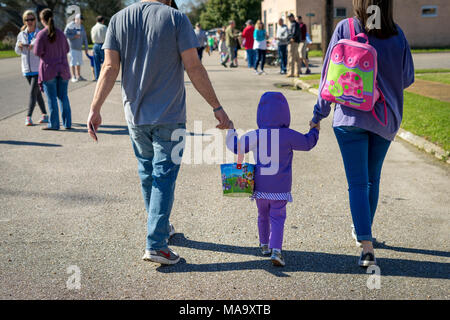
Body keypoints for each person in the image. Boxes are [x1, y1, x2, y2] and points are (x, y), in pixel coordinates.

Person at [87, 0, 232, 265]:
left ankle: (160, 228)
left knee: (147, 172)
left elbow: (109, 67)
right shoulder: (176, 18)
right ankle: (156, 244)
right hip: (169, 115)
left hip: (135, 116)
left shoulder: (118, 19)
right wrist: (217, 107)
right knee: (163, 176)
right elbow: (194, 66)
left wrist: (95, 108)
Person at [310, 0, 415, 267]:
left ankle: (366, 245)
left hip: (350, 116)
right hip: (384, 118)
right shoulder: (398, 34)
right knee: (373, 179)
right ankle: (363, 231)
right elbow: (407, 77)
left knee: (357, 183)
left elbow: (328, 77)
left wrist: (318, 115)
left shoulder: (345, 28)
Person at [226, 92, 319, 267]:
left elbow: (235, 146)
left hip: (259, 188)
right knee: (277, 217)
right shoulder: (288, 134)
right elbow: (307, 143)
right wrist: (315, 129)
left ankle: (264, 245)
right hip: (280, 189)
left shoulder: (255, 134)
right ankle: (276, 250)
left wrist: (231, 130)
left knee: (262, 215)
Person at [34, 8, 72, 131]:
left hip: (49, 69)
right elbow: (67, 49)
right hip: (63, 68)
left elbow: (37, 52)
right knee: (63, 97)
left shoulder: (41, 34)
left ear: (41, 20)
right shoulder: (61, 33)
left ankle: (54, 124)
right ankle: (67, 123)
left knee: (51, 99)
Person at [15, 10, 48, 126]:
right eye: (27, 20)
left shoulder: (40, 34)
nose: (29, 22)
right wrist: (19, 46)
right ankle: (45, 115)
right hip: (26, 69)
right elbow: (17, 51)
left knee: (32, 93)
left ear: (35, 20)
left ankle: (28, 117)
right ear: (24, 21)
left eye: (32, 19)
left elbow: (44, 50)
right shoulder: (21, 34)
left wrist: (34, 48)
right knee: (36, 93)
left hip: (38, 68)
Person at [64, 14, 89, 83]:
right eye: (80, 20)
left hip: (79, 48)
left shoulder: (82, 27)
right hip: (72, 48)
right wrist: (74, 36)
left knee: (79, 62)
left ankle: (79, 76)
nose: (81, 22)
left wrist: (86, 48)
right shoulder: (70, 25)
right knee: (73, 62)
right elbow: (65, 34)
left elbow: (84, 38)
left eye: (81, 20)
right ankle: (73, 77)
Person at [90, 16, 108, 81]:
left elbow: (92, 37)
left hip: (95, 45)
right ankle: (105, 77)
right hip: (103, 44)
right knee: (105, 62)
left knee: (96, 62)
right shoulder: (104, 27)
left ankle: (97, 77)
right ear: (102, 21)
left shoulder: (93, 28)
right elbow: (107, 37)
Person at [286, 13, 301, 78]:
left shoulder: (294, 24)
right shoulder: (295, 24)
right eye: (288, 17)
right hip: (296, 42)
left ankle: (291, 72)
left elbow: (294, 33)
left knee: (291, 57)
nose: (289, 18)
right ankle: (296, 72)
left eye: (290, 17)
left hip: (293, 42)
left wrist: (292, 38)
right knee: (296, 58)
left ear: (292, 17)